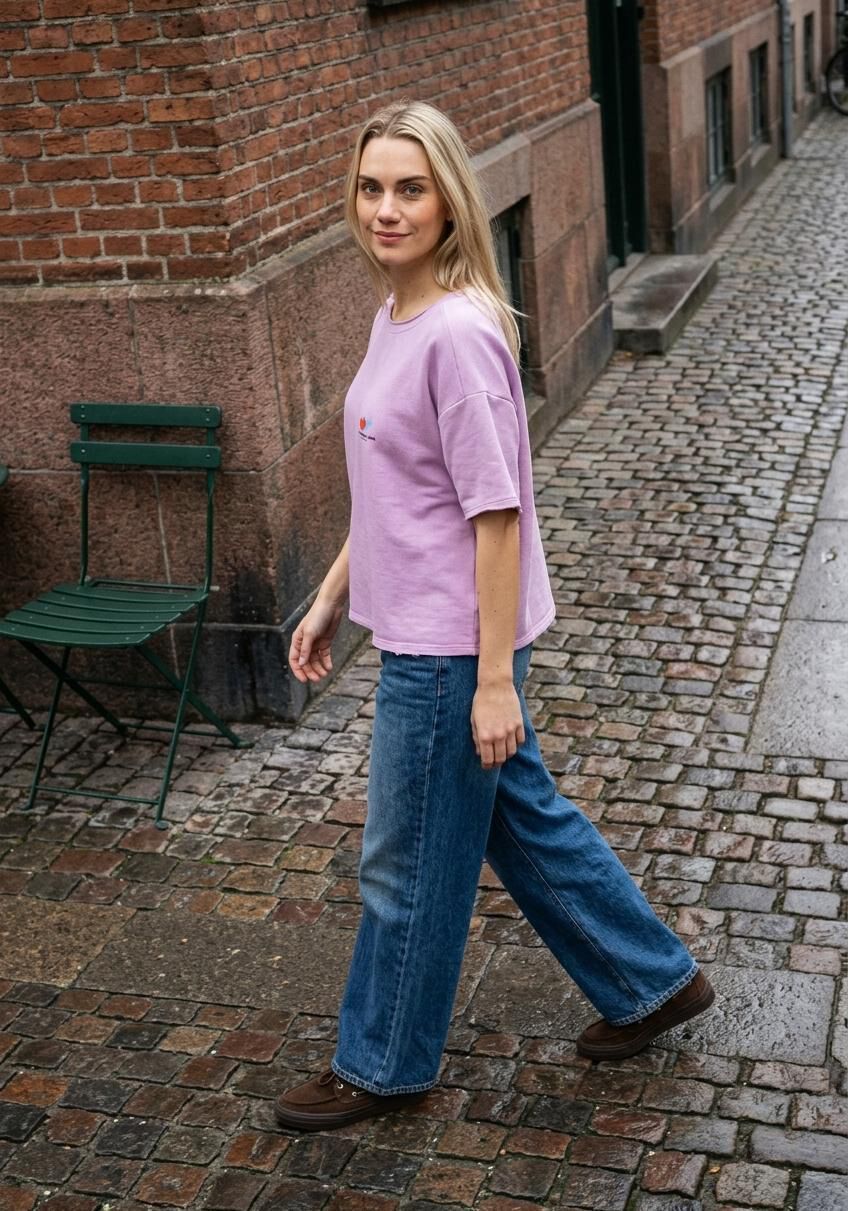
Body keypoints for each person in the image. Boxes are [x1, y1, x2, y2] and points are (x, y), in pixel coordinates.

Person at [273, 100, 714, 1134]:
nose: (385, 209)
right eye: (370, 188)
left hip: (445, 650)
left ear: (449, 202)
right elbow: (393, 488)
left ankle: (383, 1061)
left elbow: (496, 515)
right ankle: (651, 980)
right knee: (521, 824)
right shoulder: (396, 313)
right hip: (418, 629)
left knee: (403, 863)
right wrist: (331, 595)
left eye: (409, 188)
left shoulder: (458, 336)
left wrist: (492, 678)